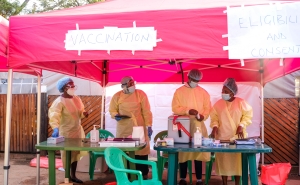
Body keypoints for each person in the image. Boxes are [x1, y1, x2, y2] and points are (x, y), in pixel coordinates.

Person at [210, 78, 253, 185]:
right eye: (222, 91)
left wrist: (241, 126)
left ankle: (237, 183)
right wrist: (214, 127)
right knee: (224, 161)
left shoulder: (241, 102)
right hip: (222, 137)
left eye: (225, 91)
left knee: (237, 162)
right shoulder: (218, 104)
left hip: (237, 138)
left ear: (232, 92)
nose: (223, 93)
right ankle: (224, 183)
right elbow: (214, 118)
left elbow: (247, 116)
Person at [172, 69, 211, 185]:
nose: (196, 82)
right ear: (188, 78)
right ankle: (183, 178)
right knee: (183, 151)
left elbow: (208, 108)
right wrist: (188, 111)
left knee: (198, 151)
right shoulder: (179, 92)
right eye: (194, 80)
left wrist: (203, 116)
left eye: (197, 80)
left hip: (198, 125)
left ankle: (199, 179)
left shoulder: (203, 92)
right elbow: (175, 108)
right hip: (184, 124)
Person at [109, 76, 153, 179]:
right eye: (130, 85)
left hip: (138, 126)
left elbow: (146, 111)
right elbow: (112, 110)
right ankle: (126, 175)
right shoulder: (117, 96)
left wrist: (149, 125)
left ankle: (142, 174)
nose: (133, 86)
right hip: (123, 128)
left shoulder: (140, 94)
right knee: (125, 150)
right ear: (123, 87)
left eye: (133, 84)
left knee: (140, 150)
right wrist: (116, 115)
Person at [48, 77, 89, 184]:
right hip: (65, 132)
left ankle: (73, 176)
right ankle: (67, 178)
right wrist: (55, 128)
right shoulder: (59, 102)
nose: (73, 88)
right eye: (71, 86)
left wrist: (84, 114)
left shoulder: (76, 99)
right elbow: (54, 115)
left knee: (75, 154)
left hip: (76, 130)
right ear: (64, 88)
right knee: (66, 155)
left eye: (73, 85)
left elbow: (80, 111)